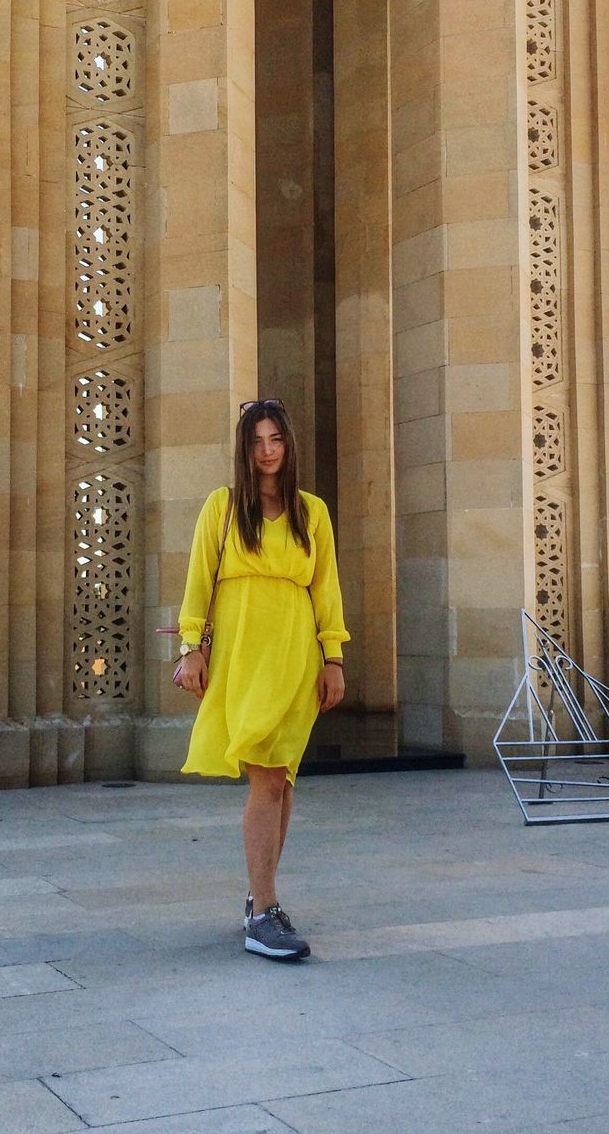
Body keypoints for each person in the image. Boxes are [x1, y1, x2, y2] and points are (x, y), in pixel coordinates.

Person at [174, 399, 350, 961]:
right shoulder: (223, 507)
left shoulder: (311, 512)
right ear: (243, 449)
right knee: (266, 779)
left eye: (276, 439)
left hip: (295, 655)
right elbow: (199, 580)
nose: (267, 450)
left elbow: (326, 588)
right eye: (256, 441)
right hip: (243, 653)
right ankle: (263, 914)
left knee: (283, 780)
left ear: (288, 445)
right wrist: (190, 648)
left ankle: (261, 900)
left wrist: (334, 658)